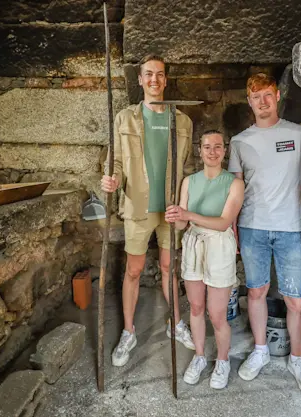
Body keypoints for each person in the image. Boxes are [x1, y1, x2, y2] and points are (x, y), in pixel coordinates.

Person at [227, 73, 301, 396]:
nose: (263, 102)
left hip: (293, 227)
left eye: (267, 95)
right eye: (256, 97)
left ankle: (298, 359)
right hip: (253, 225)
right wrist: (232, 226)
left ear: (278, 95)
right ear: (249, 102)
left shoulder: (299, 135)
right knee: (256, 292)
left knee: (296, 300)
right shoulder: (239, 142)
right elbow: (235, 189)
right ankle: (260, 349)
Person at [101, 54, 196, 367]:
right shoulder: (125, 119)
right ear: (140, 80)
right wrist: (111, 178)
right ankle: (129, 331)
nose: (154, 80)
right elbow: (114, 159)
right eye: (148, 75)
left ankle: (175, 323)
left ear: (165, 80)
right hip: (138, 204)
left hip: (170, 208)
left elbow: (188, 167)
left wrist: (185, 206)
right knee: (133, 270)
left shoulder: (182, 121)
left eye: (160, 74)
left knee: (170, 269)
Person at [165, 131, 245, 389]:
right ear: (200, 151)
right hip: (193, 244)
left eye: (217, 147)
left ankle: (222, 360)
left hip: (219, 246)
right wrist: (175, 216)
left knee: (217, 314)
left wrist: (188, 214)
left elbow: (223, 223)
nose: (212, 152)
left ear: (225, 151)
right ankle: (199, 356)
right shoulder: (189, 181)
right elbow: (180, 226)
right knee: (196, 308)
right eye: (207, 147)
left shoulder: (234, 183)